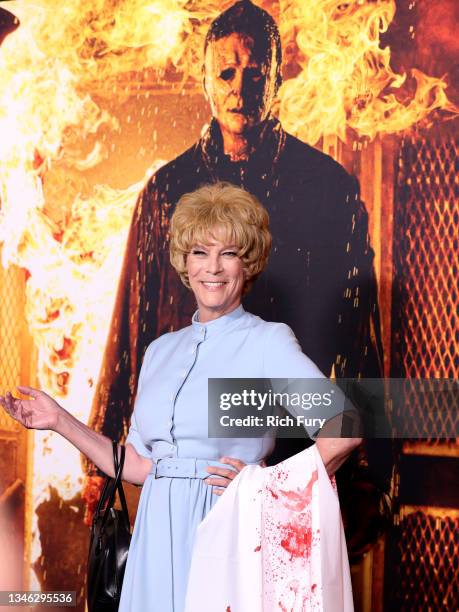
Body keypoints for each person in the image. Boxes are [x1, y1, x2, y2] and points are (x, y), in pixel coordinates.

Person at [1, 183, 361, 612]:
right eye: (200, 253)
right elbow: (135, 466)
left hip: (226, 529)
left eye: (229, 253)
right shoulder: (160, 351)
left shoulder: (268, 342)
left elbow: (344, 429)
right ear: (184, 263)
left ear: (247, 265)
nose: (214, 268)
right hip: (155, 531)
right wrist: (59, 420)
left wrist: (265, 488)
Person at [86, 0, 384, 485]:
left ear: (277, 81)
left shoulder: (328, 187)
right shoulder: (167, 189)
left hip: (287, 441)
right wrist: (105, 446)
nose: (240, 89)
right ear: (205, 80)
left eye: (255, 74)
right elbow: (133, 321)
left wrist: (367, 471)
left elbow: (356, 329)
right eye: (226, 73)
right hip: (182, 441)